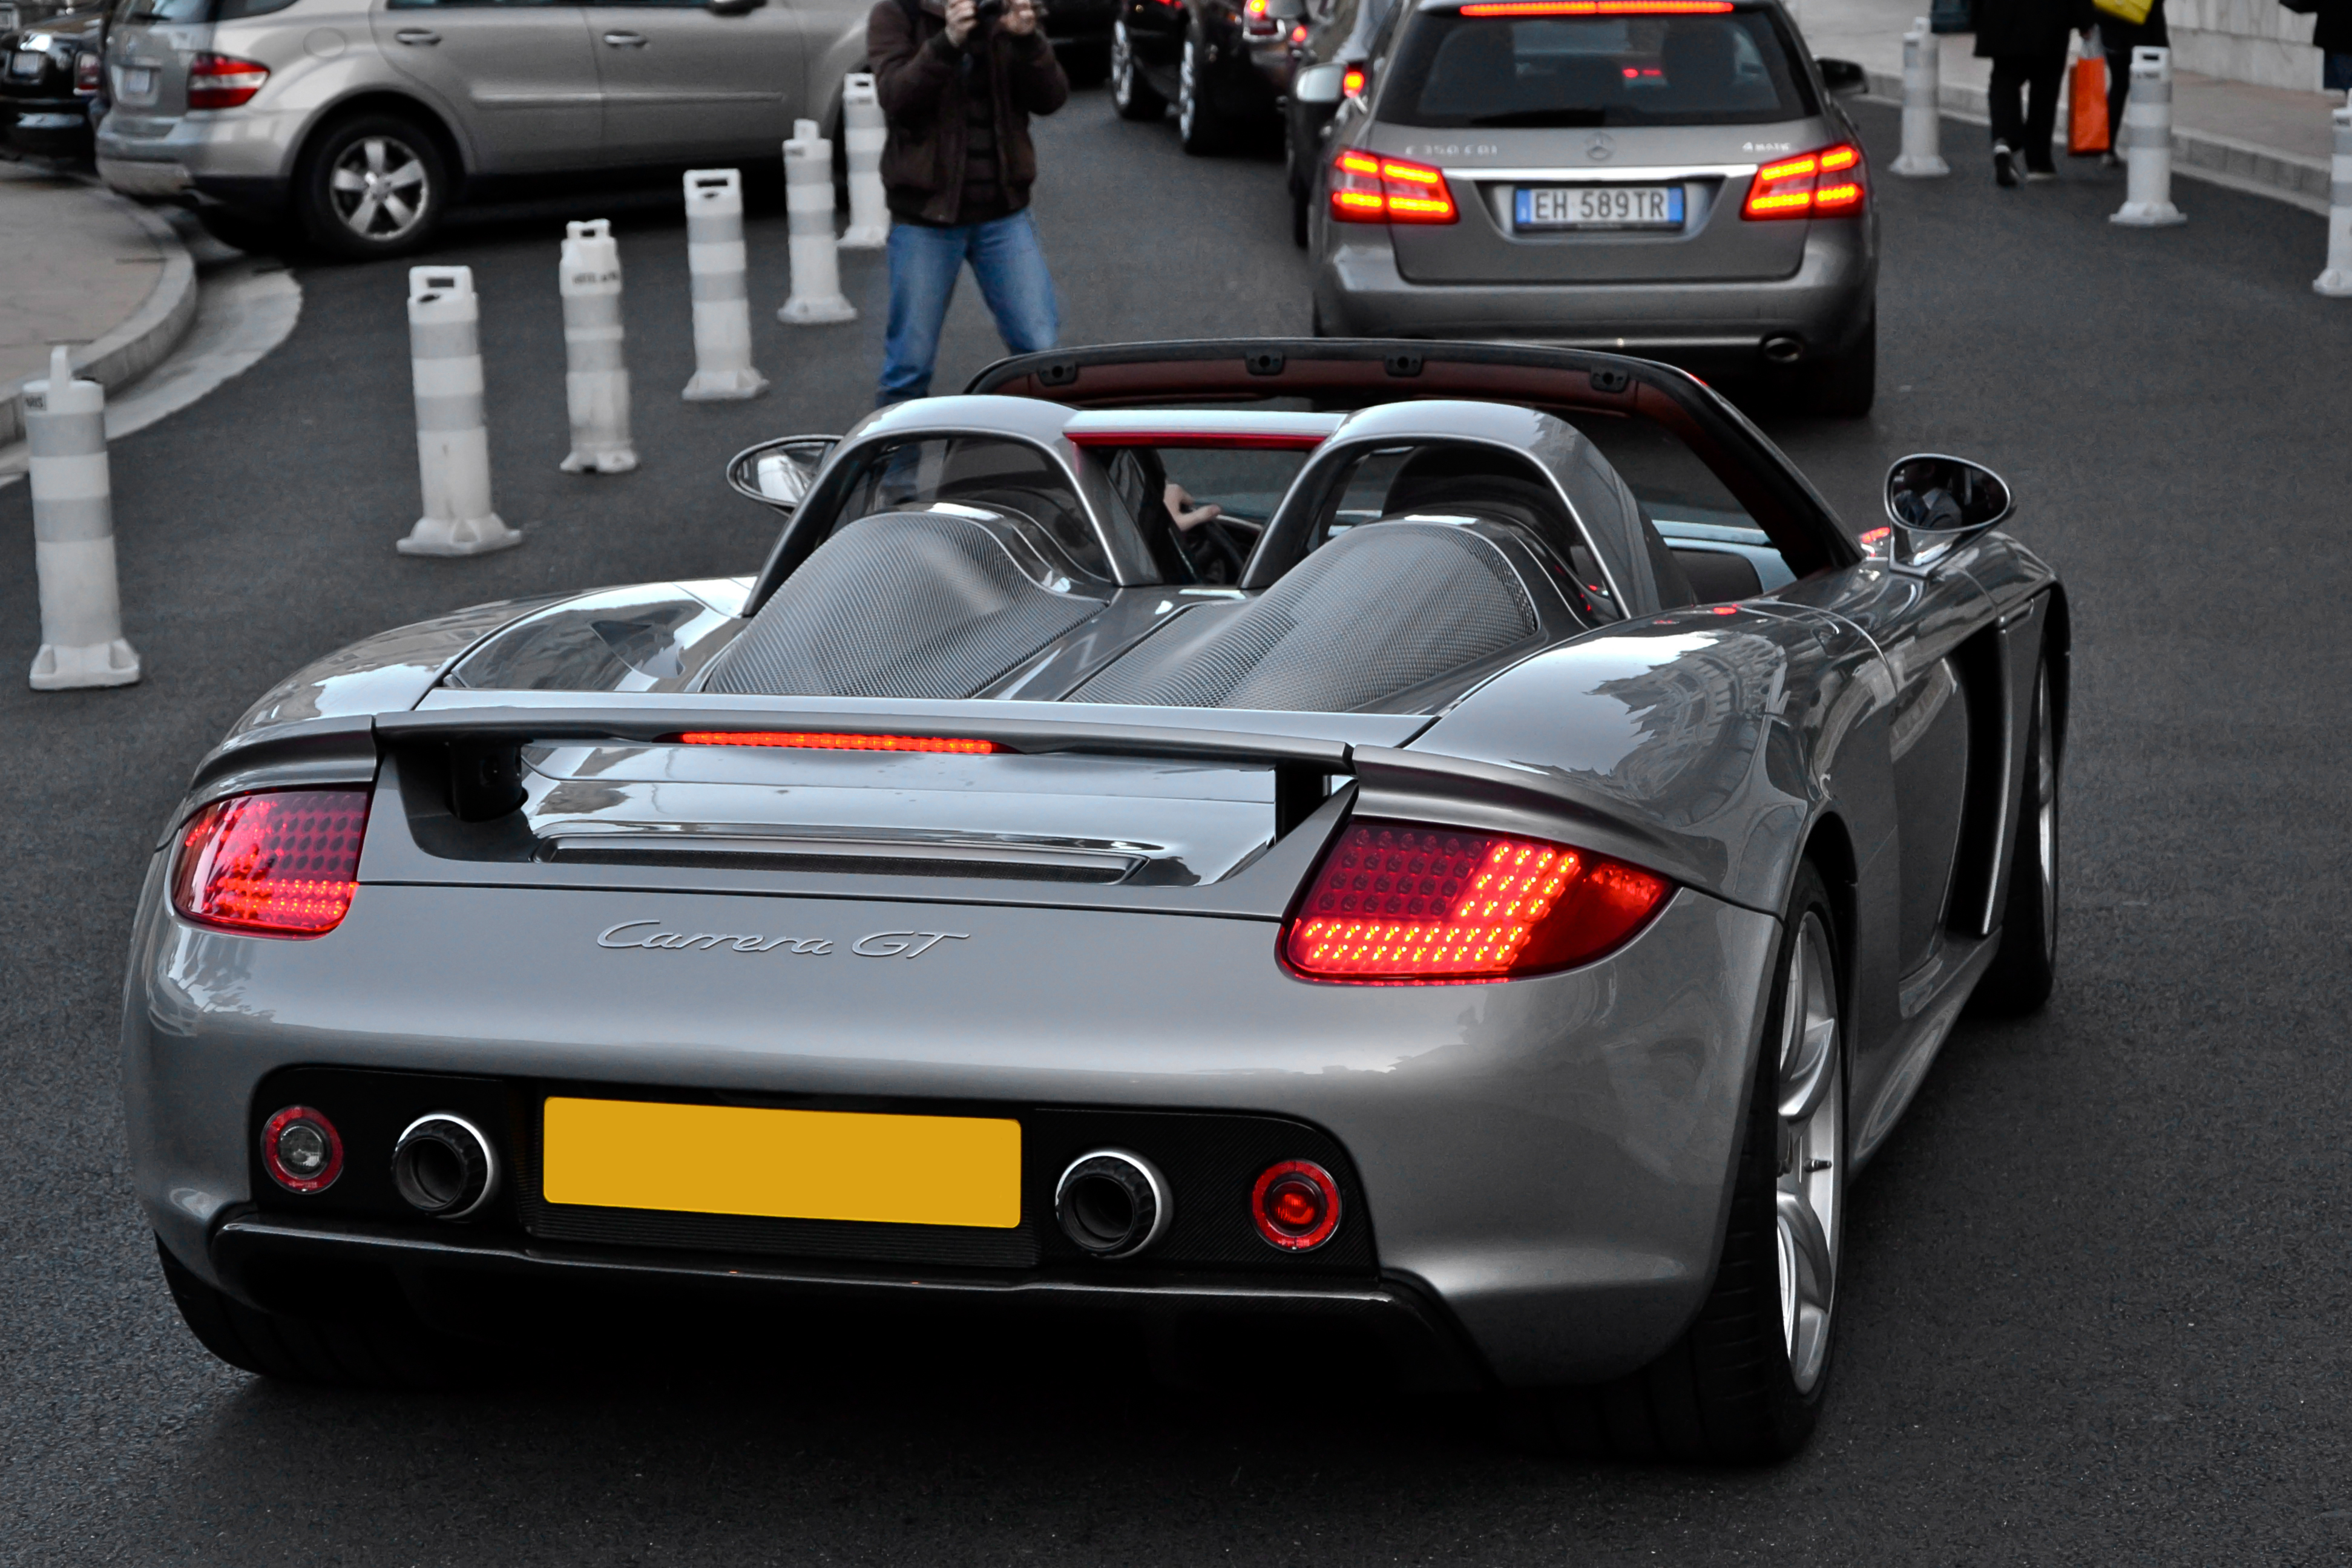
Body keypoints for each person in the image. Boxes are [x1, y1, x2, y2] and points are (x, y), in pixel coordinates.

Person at [867, 0, 1069, 406]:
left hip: (1004, 213)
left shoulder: (1004, 12)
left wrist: (1028, 41)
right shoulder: (899, 13)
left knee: (1040, 351)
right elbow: (896, 97)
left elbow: (1051, 98)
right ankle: (894, 449)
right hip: (925, 217)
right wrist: (947, 42)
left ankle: (1041, 443)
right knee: (909, 366)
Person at [1973, 0, 2097, 184]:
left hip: (2003, 17)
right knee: (2045, 89)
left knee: (2004, 80)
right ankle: (2039, 161)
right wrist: (2084, 20)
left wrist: (1978, 16)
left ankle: (2004, 140)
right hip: (2050, 19)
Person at [2095, 0, 2165, 168]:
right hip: (2144, 28)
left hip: (2112, 23)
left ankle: (2108, 148)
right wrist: (2163, 45)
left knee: (2118, 86)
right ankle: (2146, 149)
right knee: (2148, 90)